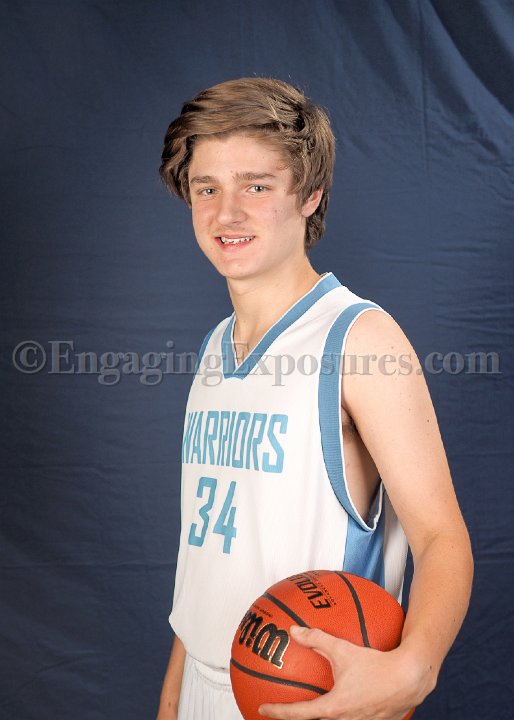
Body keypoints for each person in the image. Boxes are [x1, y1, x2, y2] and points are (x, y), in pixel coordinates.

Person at [156, 77, 473, 720]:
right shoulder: (215, 346)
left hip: (308, 691)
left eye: (256, 186)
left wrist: (414, 668)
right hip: (201, 691)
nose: (227, 213)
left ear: (310, 195)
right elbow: (209, 563)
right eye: (207, 188)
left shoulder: (359, 339)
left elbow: (442, 537)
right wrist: (172, 702)